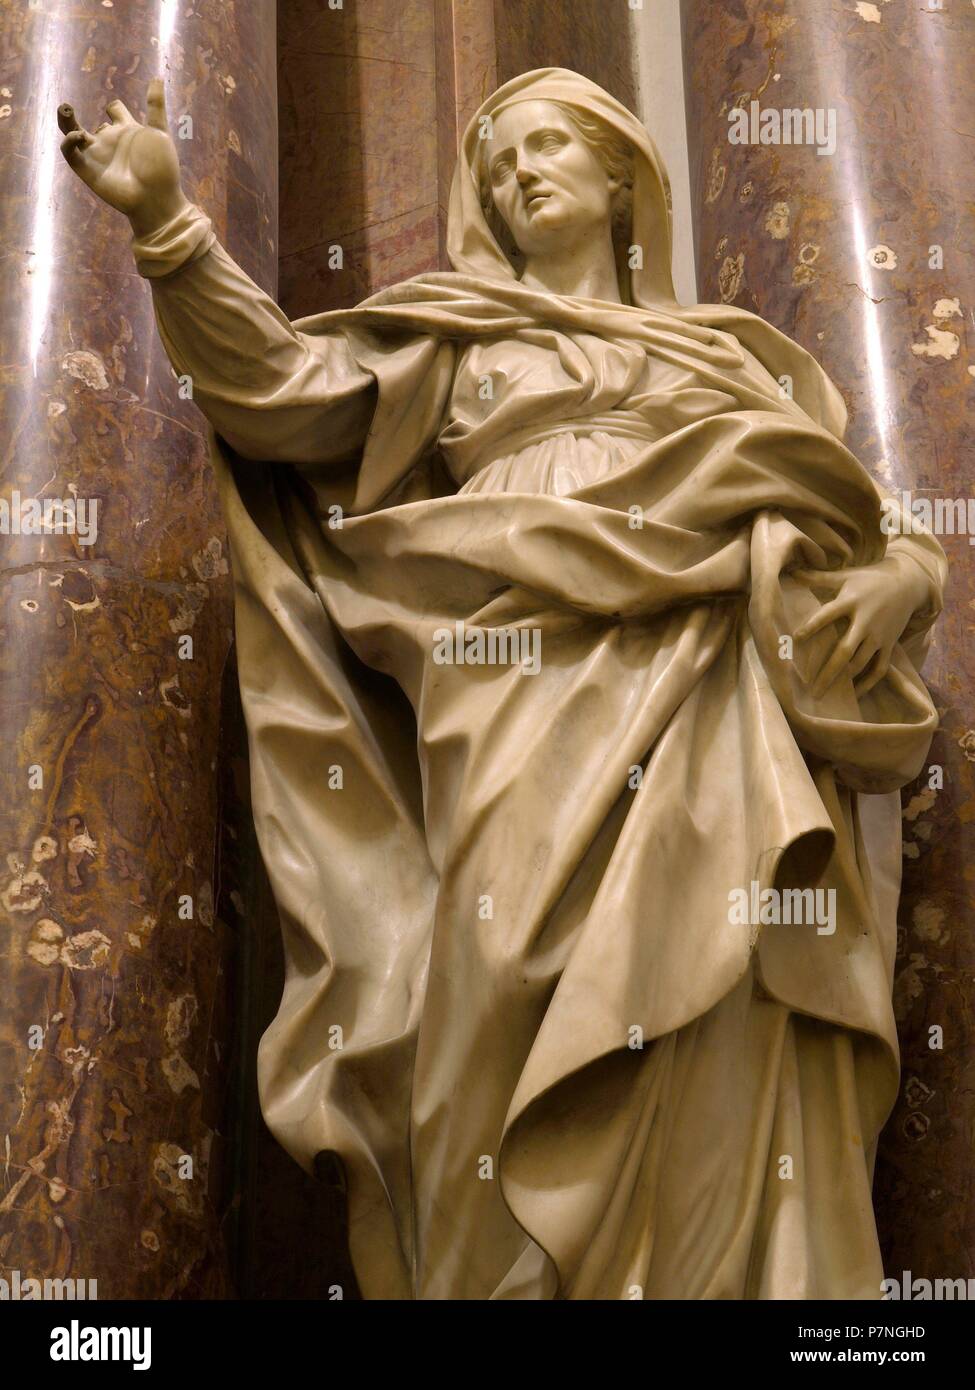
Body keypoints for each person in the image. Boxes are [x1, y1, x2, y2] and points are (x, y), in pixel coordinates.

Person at [59, 68, 945, 1300]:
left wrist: (910, 575)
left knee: (727, 977)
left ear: (620, 174)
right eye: (501, 162)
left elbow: (850, 516)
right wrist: (170, 228)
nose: (520, 173)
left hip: (707, 691)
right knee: (498, 968)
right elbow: (279, 396)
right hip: (508, 680)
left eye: (547, 148)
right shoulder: (458, 335)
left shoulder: (731, 359)